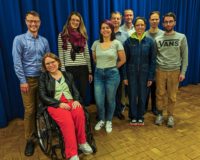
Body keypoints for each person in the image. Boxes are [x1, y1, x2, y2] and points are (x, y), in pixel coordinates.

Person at [39, 53, 93, 160]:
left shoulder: (67, 75)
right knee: (68, 122)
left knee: (79, 113)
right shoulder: (43, 78)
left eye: (53, 62)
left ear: (58, 62)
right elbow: (43, 96)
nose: (51, 65)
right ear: (45, 67)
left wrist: (76, 100)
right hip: (55, 104)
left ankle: (82, 142)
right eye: (47, 64)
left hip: (70, 101)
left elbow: (75, 90)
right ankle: (72, 153)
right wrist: (58, 103)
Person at [12, 11, 50, 156]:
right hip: (28, 80)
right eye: (30, 21)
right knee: (30, 111)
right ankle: (30, 139)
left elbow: (48, 61)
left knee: (42, 108)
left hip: (42, 79)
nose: (33, 24)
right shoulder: (19, 40)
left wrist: (48, 79)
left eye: (36, 21)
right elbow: (17, 62)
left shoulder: (44, 41)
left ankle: (42, 131)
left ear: (40, 23)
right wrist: (22, 81)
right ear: (26, 22)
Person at [155, 12, 188, 128]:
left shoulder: (181, 37)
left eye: (170, 21)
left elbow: (185, 56)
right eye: (166, 22)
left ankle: (170, 116)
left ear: (174, 23)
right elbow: (155, 56)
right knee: (160, 94)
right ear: (163, 23)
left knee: (172, 96)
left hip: (175, 71)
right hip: (160, 70)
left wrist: (183, 72)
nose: (168, 24)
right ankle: (159, 114)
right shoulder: (158, 39)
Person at [91, 20, 126, 133]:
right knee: (99, 100)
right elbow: (95, 59)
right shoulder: (96, 43)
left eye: (107, 28)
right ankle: (102, 119)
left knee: (110, 99)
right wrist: (102, 66)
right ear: (100, 30)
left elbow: (123, 59)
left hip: (112, 75)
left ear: (111, 30)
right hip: (98, 75)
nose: (105, 30)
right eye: (103, 28)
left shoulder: (116, 43)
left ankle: (109, 120)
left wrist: (113, 67)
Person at [123, 17, 156, 126]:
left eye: (142, 25)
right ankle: (133, 116)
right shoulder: (128, 42)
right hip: (131, 73)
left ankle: (140, 116)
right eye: (138, 25)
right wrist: (125, 76)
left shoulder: (150, 42)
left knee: (142, 96)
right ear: (135, 26)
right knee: (132, 95)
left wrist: (151, 77)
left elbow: (153, 61)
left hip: (145, 74)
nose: (140, 27)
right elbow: (124, 61)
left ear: (145, 26)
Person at [58, 11, 92, 105]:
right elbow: (61, 55)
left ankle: (82, 114)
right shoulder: (62, 35)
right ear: (69, 21)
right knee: (70, 93)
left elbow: (87, 55)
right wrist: (63, 71)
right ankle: (73, 115)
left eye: (77, 20)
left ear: (80, 23)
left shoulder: (83, 35)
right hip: (69, 68)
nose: (75, 22)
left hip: (82, 68)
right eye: (73, 19)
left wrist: (89, 71)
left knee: (83, 93)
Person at [110, 11, 129, 120]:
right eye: (114, 18)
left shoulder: (125, 35)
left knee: (118, 90)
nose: (116, 20)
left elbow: (127, 53)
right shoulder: (106, 32)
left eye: (118, 18)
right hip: (107, 67)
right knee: (108, 90)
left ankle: (118, 110)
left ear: (121, 20)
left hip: (120, 66)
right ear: (110, 19)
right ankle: (109, 110)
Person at [145, 11, 164, 115]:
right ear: (149, 20)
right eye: (152, 19)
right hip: (146, 66)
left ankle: (155, 107)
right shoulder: (144, 34)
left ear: (159, 20)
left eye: (156, 19)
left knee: (156, 89)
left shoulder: (163, 34)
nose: (154, 21)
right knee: (146, 87)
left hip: (158, 66)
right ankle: (144, 107)